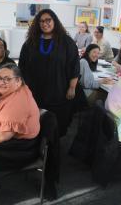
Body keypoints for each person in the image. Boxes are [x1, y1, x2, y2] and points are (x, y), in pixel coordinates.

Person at [19, 8, 80, 136]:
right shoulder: (31, 42)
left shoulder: (66, 42)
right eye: (41, 21)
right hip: (35, 92)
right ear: (37, 24)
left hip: (59, 92)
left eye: (48, 20)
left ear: (55, 21)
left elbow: (74, 65)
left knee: (58, 126)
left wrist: (72, 87)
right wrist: (23, 87)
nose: (45, 23)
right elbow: (22, 66)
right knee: (36, 123)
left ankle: (54, 149)